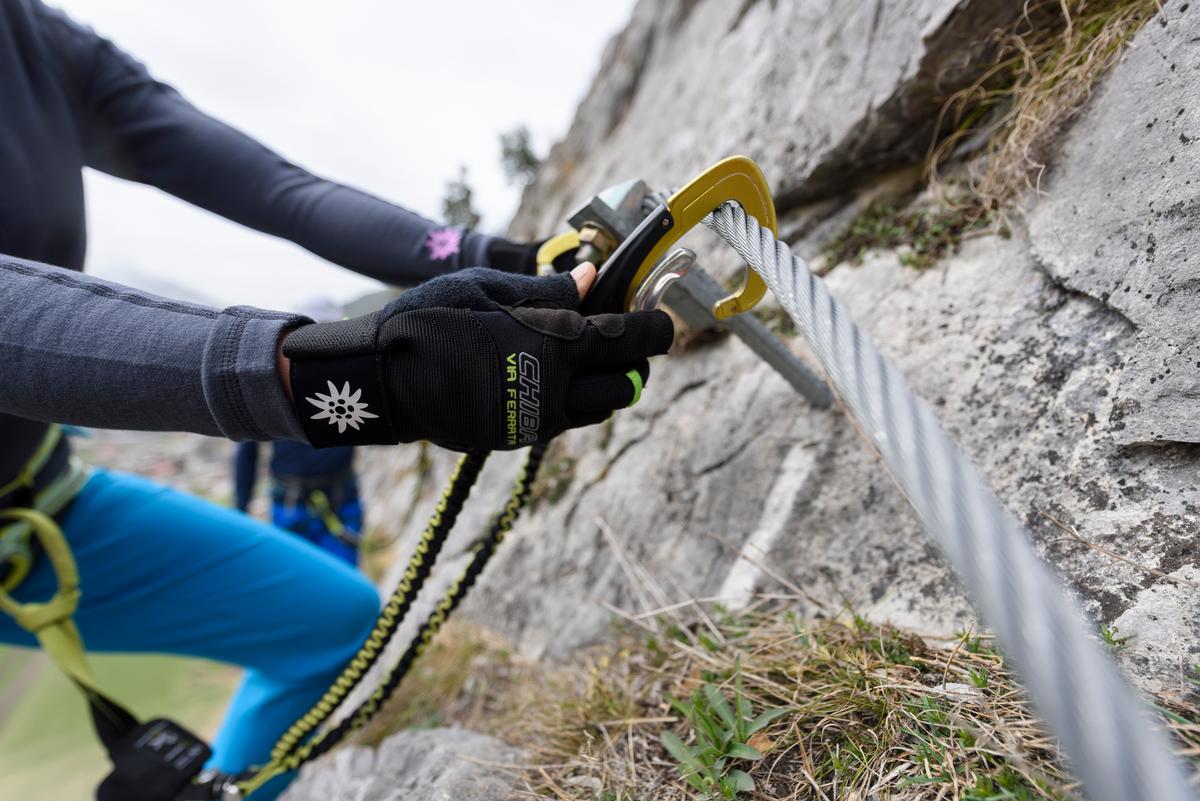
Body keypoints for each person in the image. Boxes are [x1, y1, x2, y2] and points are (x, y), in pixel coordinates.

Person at [0, 2, 674, 800]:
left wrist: (518, 260)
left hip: (39, 501)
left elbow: (280, 190)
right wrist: (341, 376)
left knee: (331, 621)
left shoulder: (34, 39)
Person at [234, 439, 364, 567]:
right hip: (297, 502)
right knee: (335, 573)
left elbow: (246, 450)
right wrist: (241, 509)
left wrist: (241, 508)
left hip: (332, 499)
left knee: (299, 571)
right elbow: (247, 448)